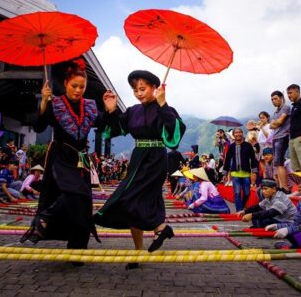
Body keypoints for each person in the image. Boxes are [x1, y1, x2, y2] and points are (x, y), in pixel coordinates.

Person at [94, 69, 186, 264]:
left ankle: (160, 229)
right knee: (137, 203)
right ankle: (141, 248)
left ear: (155, 88)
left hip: (156, 159)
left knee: (134, 199)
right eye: (135, 90)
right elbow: (114, 129)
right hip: (137, 158)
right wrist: (111, 109)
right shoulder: (133, 111)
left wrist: (163, 104)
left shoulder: (165, 109)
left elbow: (174, 137)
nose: (138, 93)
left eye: (143, 89)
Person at [20, 59, 102, 253]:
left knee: (83, 202)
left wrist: (110, 108)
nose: (78, 90)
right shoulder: (55, 103)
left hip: (81, 159)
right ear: (65, 84)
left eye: (82, 87)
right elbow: (39, 126)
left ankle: (77, 248)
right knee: (75, 194)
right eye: (74, 86)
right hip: (61, 157)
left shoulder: (90, 106)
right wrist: (43, 103)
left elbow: (106, 124)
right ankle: (46, 217)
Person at [223, 128, 258, 212]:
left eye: (239, 132)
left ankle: (242, 207)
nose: (238, 134)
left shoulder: (248, 145)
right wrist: (225, 173)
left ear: (242, 134)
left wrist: (254, 171)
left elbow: (253, 159)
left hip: (246, 173)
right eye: (236, 133)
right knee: (237, 193)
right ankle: (239, 211)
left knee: (247, 193)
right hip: (235, 174)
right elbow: (227, 160)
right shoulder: (231, 147)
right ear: (233, 135)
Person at [269, 90, 291, 191]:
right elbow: (272, 125)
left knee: (279, 162)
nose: (274, 101)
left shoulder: (285, 108)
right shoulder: (275, 112)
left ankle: (285, 187)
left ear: (281, 98)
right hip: (275, 137)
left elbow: (279, 122)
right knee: (277, 163)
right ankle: (281, 186)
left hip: (283, 136)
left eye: (276, 98)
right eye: (272, 99)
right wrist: (274, 123)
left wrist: (275, 123)